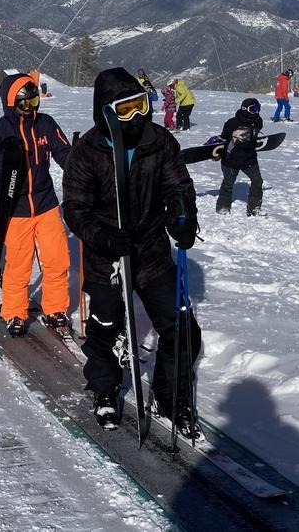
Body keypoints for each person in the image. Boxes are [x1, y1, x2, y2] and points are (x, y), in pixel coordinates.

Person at [61, 67, 199, 432]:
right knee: (105, 326)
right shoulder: (87, 152)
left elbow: (178, 186)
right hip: (107, 257)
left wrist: (183, 216)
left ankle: (170, 397)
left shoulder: (159, 141)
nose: (137, 116)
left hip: (151, 252)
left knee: (182, 327)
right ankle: (105, 389)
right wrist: (103, 236)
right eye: (125, 110)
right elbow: (74, 208)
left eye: (141, 105)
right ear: (106, 112)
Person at [0, 73, 73, 337]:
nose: (31, 109)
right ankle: (15, 312)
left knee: (57, 258)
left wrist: (82, 169)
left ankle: (55, 307)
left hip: (46, 204)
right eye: (25, 104)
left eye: (34, 102)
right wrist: (9, 157)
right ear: (11, 104)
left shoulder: (46, 124)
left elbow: (64, 153)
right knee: (19, 265)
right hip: (16, 209)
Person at [216, 98, 266, 215]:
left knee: (257, 181)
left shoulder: (258, 121)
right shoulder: (233, 123)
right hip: (232, 158)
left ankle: (254, 208)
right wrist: (218, 151)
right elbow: (224, 137)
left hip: (249, 157)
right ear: (245, 109)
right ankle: (222, 206)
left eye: (258, 108)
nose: (256, 112)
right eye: (253, 109)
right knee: (228, 183)